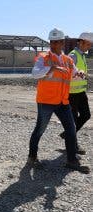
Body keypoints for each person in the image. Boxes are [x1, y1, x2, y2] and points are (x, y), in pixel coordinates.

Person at [28, 28, 90, 174]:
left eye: (57, 42)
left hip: (63, 101)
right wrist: (52, 68)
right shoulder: (43, 57)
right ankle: (32, 156)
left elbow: (74, 73)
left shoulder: (68, 60)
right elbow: (35, 74)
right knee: (39, 130)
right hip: (46, 101)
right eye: (52, 42)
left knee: (71, 129)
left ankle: (71, 160)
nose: (53, 44)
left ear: (62, 43)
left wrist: (79, 74)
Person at [59, 32, 93, 155]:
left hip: (80, 92)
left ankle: (67, 134)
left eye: (91, 44)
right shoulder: (73, 55)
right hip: (71, 94)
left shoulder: (82, 55)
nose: (89, 46)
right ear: (81, 42)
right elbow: (65, 72)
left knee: (86, 115)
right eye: (88, 44)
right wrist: (75, 75)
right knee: (72, 121)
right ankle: (73, 145)